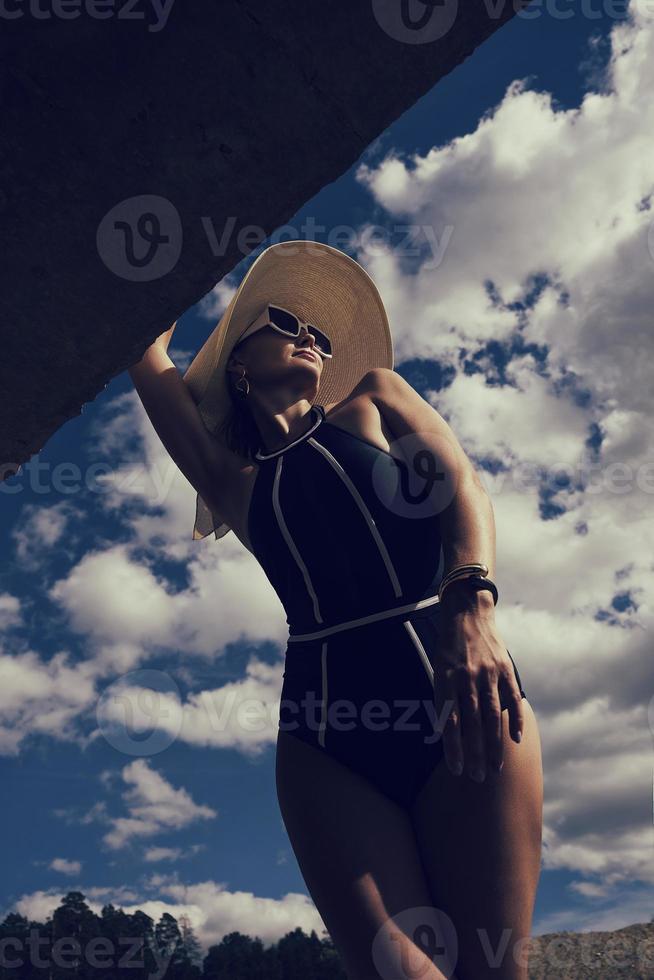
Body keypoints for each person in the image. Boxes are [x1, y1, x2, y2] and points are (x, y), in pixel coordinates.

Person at [129, 241, 543, 980]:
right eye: (284, 319)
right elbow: (143, 352)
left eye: (319, 330)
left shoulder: (377, 398)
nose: (311, 334)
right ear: (240, 367)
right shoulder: (232, 482)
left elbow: (464, 488)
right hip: (325, 738)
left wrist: (473, 602)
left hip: (459, 690)